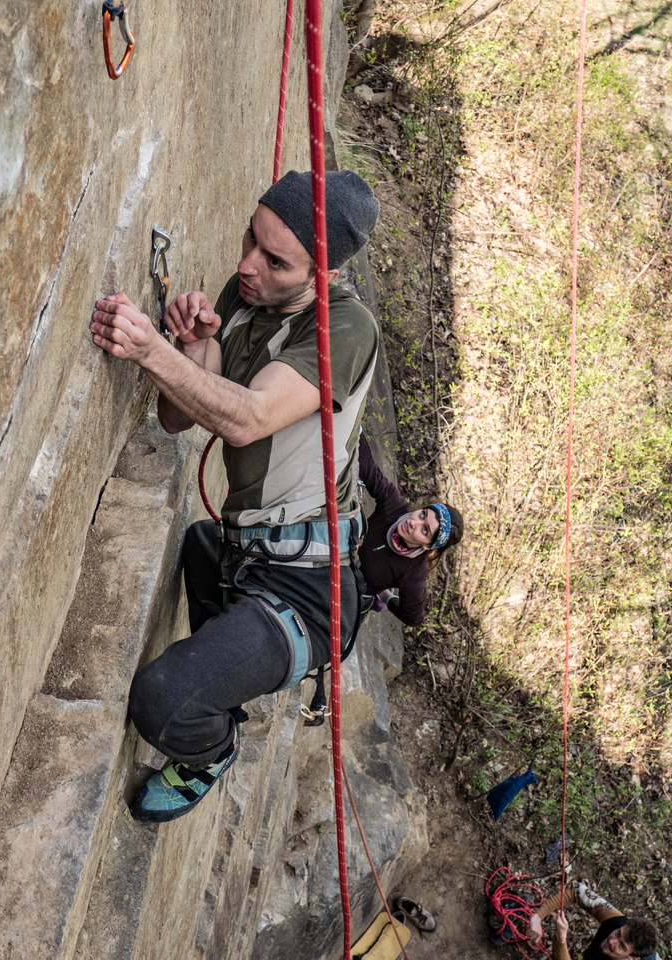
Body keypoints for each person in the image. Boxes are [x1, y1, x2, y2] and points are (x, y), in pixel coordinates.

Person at [90, 169, 380, 822]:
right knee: (199, 545)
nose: (248, 266)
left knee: (162, 699)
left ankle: (210, 749)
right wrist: (195, 349)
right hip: (248, 556)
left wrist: (150, 349)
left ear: (326, 276)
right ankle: (225, 670)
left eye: (276, 261)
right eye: (251, 239)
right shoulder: (249, 293)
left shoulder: (346, 329)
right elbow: (177, 418)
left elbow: (248, 418)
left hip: (310, 594)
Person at [356, 432, 460, 626]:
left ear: (430, 546)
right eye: (422, 515)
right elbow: (367, 466)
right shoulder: (394, 507)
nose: (414, 523)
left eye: (425, 530)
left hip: (347, 593)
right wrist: (354, 424)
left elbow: (413, 618)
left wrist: (385, 597)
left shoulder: (414, 573)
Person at [529, 881, 661, 960]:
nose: (612, 941)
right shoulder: (617, 921)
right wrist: (538, 916)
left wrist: (561, 939)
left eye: (621, 946)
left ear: (632, 958)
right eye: (618, 933)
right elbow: (575, 889)